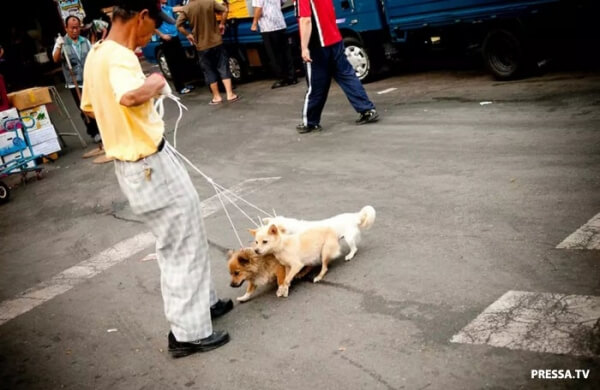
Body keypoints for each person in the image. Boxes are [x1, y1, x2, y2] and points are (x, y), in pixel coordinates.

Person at [80, 0, 232, 358]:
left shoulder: (97, 53)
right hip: (148, 164)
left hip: (138, 164)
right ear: (141, 17)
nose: (152, 35)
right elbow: (129, 96)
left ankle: (202, 304)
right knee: (180, 245)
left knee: (186, 234)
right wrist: (154, 81)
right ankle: (188, 333)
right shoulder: (119, 56)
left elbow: (90, 106)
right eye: (153, 25)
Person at [295, 0, 379, 133]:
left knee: (316, 85)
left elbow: (305, 20)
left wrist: (304, 48)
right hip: (335, 39)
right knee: (347, 75)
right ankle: (367, 109)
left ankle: (310, 122)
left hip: (318, 44)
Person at [176, 0, 239, 105]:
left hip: (201, 45)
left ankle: (216, 97)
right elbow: (225, 10)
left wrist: (188, 35)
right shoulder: (209, 2)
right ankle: (230, 94)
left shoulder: (186, 8)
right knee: (223, 66)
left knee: (209, 70)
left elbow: (178, 25)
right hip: (216, 41)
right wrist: (222, 24)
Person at [52, 16, 101, 144]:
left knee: (96, 105)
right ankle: (93, 132)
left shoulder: (85, 41)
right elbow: (55, 59)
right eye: (72, 28)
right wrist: (58, 46)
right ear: (66, 28)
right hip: (74, 83)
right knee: (84, 108)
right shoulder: (62, 42)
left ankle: (102, 129)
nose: (75, 30)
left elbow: (92, 57)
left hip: (89, 80)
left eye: (77, 27)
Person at [251, 0, 297, 88]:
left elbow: (258, 8)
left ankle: (282, 78)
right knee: (285, 52)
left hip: (268, 27)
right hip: (280, 23)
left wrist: (254, 23)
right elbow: (282, 2)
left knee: (274, 55)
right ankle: (292, 76)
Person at [156, 0, 195, 94]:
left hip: (175, 36)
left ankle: (184, 84)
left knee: (180, 61)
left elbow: (179, 8)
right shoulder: (156, 11)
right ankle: (180, 88)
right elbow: (153, 26)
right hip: (167, 39)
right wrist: (162, 35)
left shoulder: (166, 8)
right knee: (173, 64)